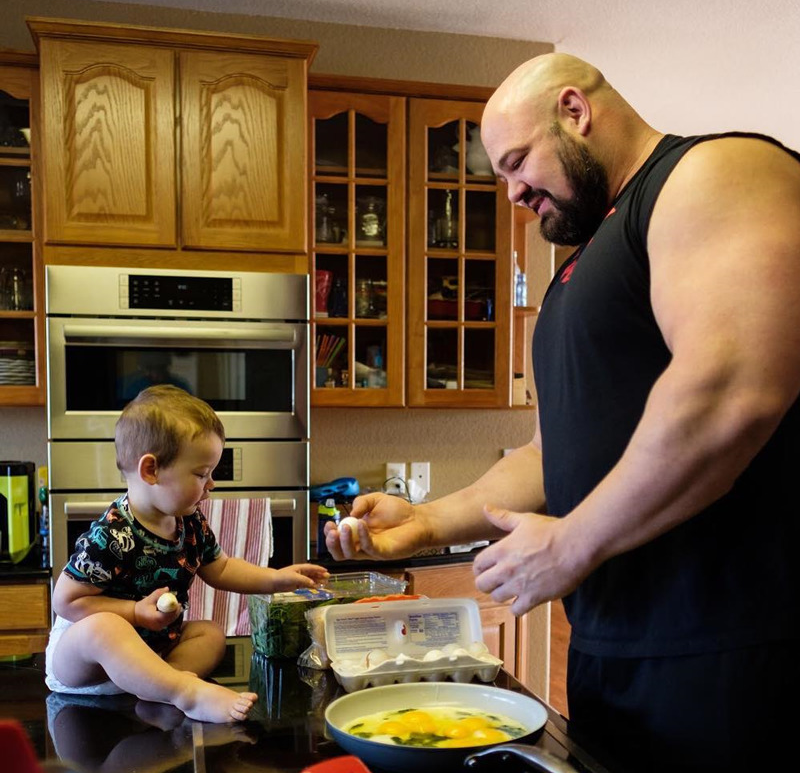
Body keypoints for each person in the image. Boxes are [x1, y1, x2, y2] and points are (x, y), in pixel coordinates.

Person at [324, 53, 800, 772]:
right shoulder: (581, 267)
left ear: (574, 111)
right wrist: (427, 523)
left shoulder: (715, 172)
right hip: (615, 653)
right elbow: (551, 456)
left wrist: (574, 543)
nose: (512, 192)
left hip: (735, 646)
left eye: (518, 161)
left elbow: (732, 391)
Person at [46, 384, 328, 723]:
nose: (211, 484)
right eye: (201, 474)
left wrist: (277, 579)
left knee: (209, 633)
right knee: (105, 627)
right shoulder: (111, 535)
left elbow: (221, 569)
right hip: (85, 666)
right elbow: (66, 602)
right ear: (151, 470)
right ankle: (184, 692)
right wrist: (134, 612)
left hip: (153, 652)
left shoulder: (189, 522)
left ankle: (162, 683)